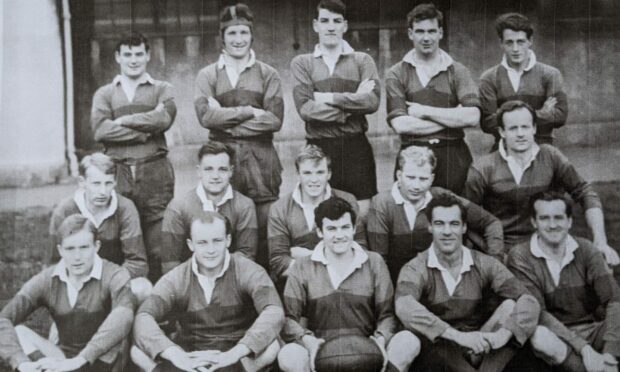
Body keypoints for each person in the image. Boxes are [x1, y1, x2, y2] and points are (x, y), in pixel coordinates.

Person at [395, 193, 541, 371]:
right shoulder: (415, 267)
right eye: (440, 224)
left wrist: (503, 334)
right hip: (441, 346)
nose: (447, 231)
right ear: (430, 227)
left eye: (454, 224)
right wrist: (457, 336)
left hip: (480, 344)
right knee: (433, 349)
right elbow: (404, 306)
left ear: (464, 227)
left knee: (511, 305)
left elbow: (529, 300)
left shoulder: (484, 263)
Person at [464, 100, 619, 266]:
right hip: (505, 252)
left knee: (597, 273)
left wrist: (601, 241)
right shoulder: (483, 168)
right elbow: (465, 216)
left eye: (525, 127)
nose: (520, 134)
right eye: (513, 128)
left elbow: (585, 192)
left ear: (534, 128)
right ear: (502, 131)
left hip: (548, 245)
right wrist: (494, 254)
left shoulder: (550, 156)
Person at [278, 197, 418, 372]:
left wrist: (380, 341)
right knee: (288, 354)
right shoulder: (302, 266)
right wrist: (309, 341)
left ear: (353, 229)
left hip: (367, 351)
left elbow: (387, 315)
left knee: (408, 340)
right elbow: (289, 319)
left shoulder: (374, 262)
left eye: (345, 227)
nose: (339, 235)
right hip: (322, 353)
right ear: (320, 232)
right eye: (331, 229)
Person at [132, 212, 283, 372]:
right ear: (191, 245)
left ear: (228, 240)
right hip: (192, 353)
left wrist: (234, 354)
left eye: (217, 241)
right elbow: (143, 316)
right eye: (202, 243)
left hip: (236, 352)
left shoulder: (248, 270)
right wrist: (176, 354)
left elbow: (274, 311)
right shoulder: (177, 277)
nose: (211, 250)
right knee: (137, 350)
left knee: (272, 346)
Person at [193, 3, 283, 270]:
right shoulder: (207, 75)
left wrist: (227, 124)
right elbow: (205, 117)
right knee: (223, 229)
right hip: (223, 165)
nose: (238, 39)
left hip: (261, 165)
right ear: (222, 36)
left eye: (243, 32)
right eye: (231, 33)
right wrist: (248, 111)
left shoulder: (268, 74)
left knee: (264, 232)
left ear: (251, 35)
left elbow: (274, 120)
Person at [91, 31, 177, 282]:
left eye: (139, 54)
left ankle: (160, 311)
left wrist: (126, 121)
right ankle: (121, 303)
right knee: (119, 239)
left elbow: (164, 119)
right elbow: (100, 129)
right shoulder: (105, 93)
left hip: (155, 172)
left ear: (148, 55)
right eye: (127, 54)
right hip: (118, 172)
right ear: (118, 57)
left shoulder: (163, 88)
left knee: (158, 243)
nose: (133, 60)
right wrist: (143, 134)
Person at [0, 214, 135, 372]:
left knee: (118, 321)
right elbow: (4, 317)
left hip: (101, 361)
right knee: (19, 331)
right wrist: (22, 363)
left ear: (96, 246)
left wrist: (80, 359)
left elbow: (123, 317)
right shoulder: (47, 279)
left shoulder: (115, 275)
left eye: (84, 247)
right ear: (60, 250)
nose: (77, 257)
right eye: (70, 249)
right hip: (63, 360)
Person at [507, 191, 620, 372]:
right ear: (534, 222)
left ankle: (605, 365)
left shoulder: (586, 249)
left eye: (558, 218)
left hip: (592, 329)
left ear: (569, 221)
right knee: (539, 336)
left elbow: (614, 299)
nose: (552, 225)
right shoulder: (520, 256)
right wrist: (583, 348)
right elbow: (538, 313)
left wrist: (609, 353)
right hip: (555, 335)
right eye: (544, 218)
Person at [290, 0, 381, 216]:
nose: (330, 27)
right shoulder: (302, 63)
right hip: (318, 148)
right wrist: (351, 106)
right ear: (315, 25)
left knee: (361, 215)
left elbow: (372, 102)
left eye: (336, 21)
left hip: (356, 148)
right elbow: (306, 109)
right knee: (320, 214)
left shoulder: (363, 61)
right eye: (325, 21)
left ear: (345, 25)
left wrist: (328, 97)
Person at [367, 145, 504, 283]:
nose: (416, 186)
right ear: (399, 176)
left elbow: (491, 223)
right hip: (397, 281)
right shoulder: (381, 204)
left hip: (440, 281)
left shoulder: (441, 196)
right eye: (410, 177)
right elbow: (380, 263)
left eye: (423, 179)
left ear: (432, 179)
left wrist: (495, 264)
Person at [385, 3, 481, 194]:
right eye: (420, 31)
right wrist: (454, 119)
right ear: (411, 34)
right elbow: (401, 124)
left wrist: (423, 111)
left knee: (456, 213)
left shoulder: (458, 71)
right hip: (412, 153)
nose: (426, 38)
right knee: (413, 215)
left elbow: (472, 116)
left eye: (431, 31)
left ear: (440, 33)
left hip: (453, 154)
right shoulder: (396, 73)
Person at [49, 153, 151, 300]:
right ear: (82, 182)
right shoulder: (65, 210)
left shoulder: (125, 208)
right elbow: (55, 262)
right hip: (78, 283)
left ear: (115, 182)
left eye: (108, 183)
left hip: (114, 284)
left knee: (143, 288)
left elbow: (138, 263)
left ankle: (125, 319)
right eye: (96, 184)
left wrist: (105, 283)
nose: (103, 192)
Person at [268, 145, 367, 291]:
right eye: (307, 173)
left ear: (329, 174)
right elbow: (279, 263)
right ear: (298, 174)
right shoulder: (279, 208)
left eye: (320, 172)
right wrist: (336, 257)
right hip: (298, 287)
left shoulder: (347, 200)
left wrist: (309, 256)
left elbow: (360, 250)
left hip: (342, 283)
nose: (314, 180)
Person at [161, 142, 257, 274]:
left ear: (231, 171)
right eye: (209, 169)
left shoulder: (245, 205)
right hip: (190, 281)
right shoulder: (178, 207)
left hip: (231, 278)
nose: (215, 176)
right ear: (199, 171)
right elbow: (170, 262)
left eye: (222, 169)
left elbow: (246, 255)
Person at [480, 12, 567, 148]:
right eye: (509, 42)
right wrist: (541, 114)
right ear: (501, 43)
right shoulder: (489, 78)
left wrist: (504, 116)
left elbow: (560, 116)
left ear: (530, 41)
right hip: (503, 149)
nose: (515, 49)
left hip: (542, 147)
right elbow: (487, 123)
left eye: (520, 42)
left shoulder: (550, 74)